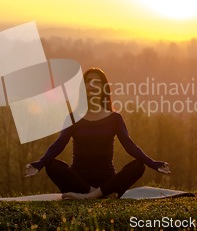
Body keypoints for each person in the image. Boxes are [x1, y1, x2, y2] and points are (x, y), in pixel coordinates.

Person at [25, 67, 171, 199]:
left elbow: (130, 146)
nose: (92, 85)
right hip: (78, 181)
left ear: (103, 88)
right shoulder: (73, 117)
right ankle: (96, 194)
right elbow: (58, 144)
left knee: (139, 166)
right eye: (88, 81)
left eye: (97, 82)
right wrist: (39, 164)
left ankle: (89, 196)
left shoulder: (115, 118)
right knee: (51, 165)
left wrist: (153, 163)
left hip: (107, 181)